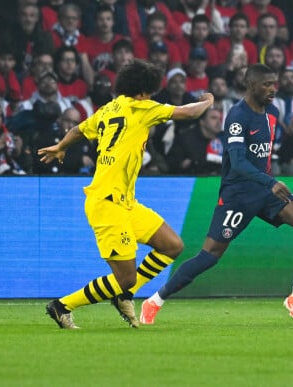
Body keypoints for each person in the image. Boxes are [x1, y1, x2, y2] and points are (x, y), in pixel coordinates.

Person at [39, 59, 215, 329]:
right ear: (144, 91)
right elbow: (189, 113)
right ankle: (62, 306)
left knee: (172, 246)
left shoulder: (108, 109)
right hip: (106, 203)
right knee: (125, 277)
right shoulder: (142, 107)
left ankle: (124, 296)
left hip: (125, 202)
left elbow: (77, 130)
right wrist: (208, 100)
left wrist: (61, 146)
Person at [140, 64, 293, 325]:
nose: (273, 89)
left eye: (274, 83)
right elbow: (238, 162)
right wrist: (270, 181)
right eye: (267, 84)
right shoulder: (237, 117)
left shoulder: (273, 112)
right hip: (238, 196)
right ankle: (154, 301)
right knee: (209, 256)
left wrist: (268, 182)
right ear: (252, 85)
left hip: (265, 191)